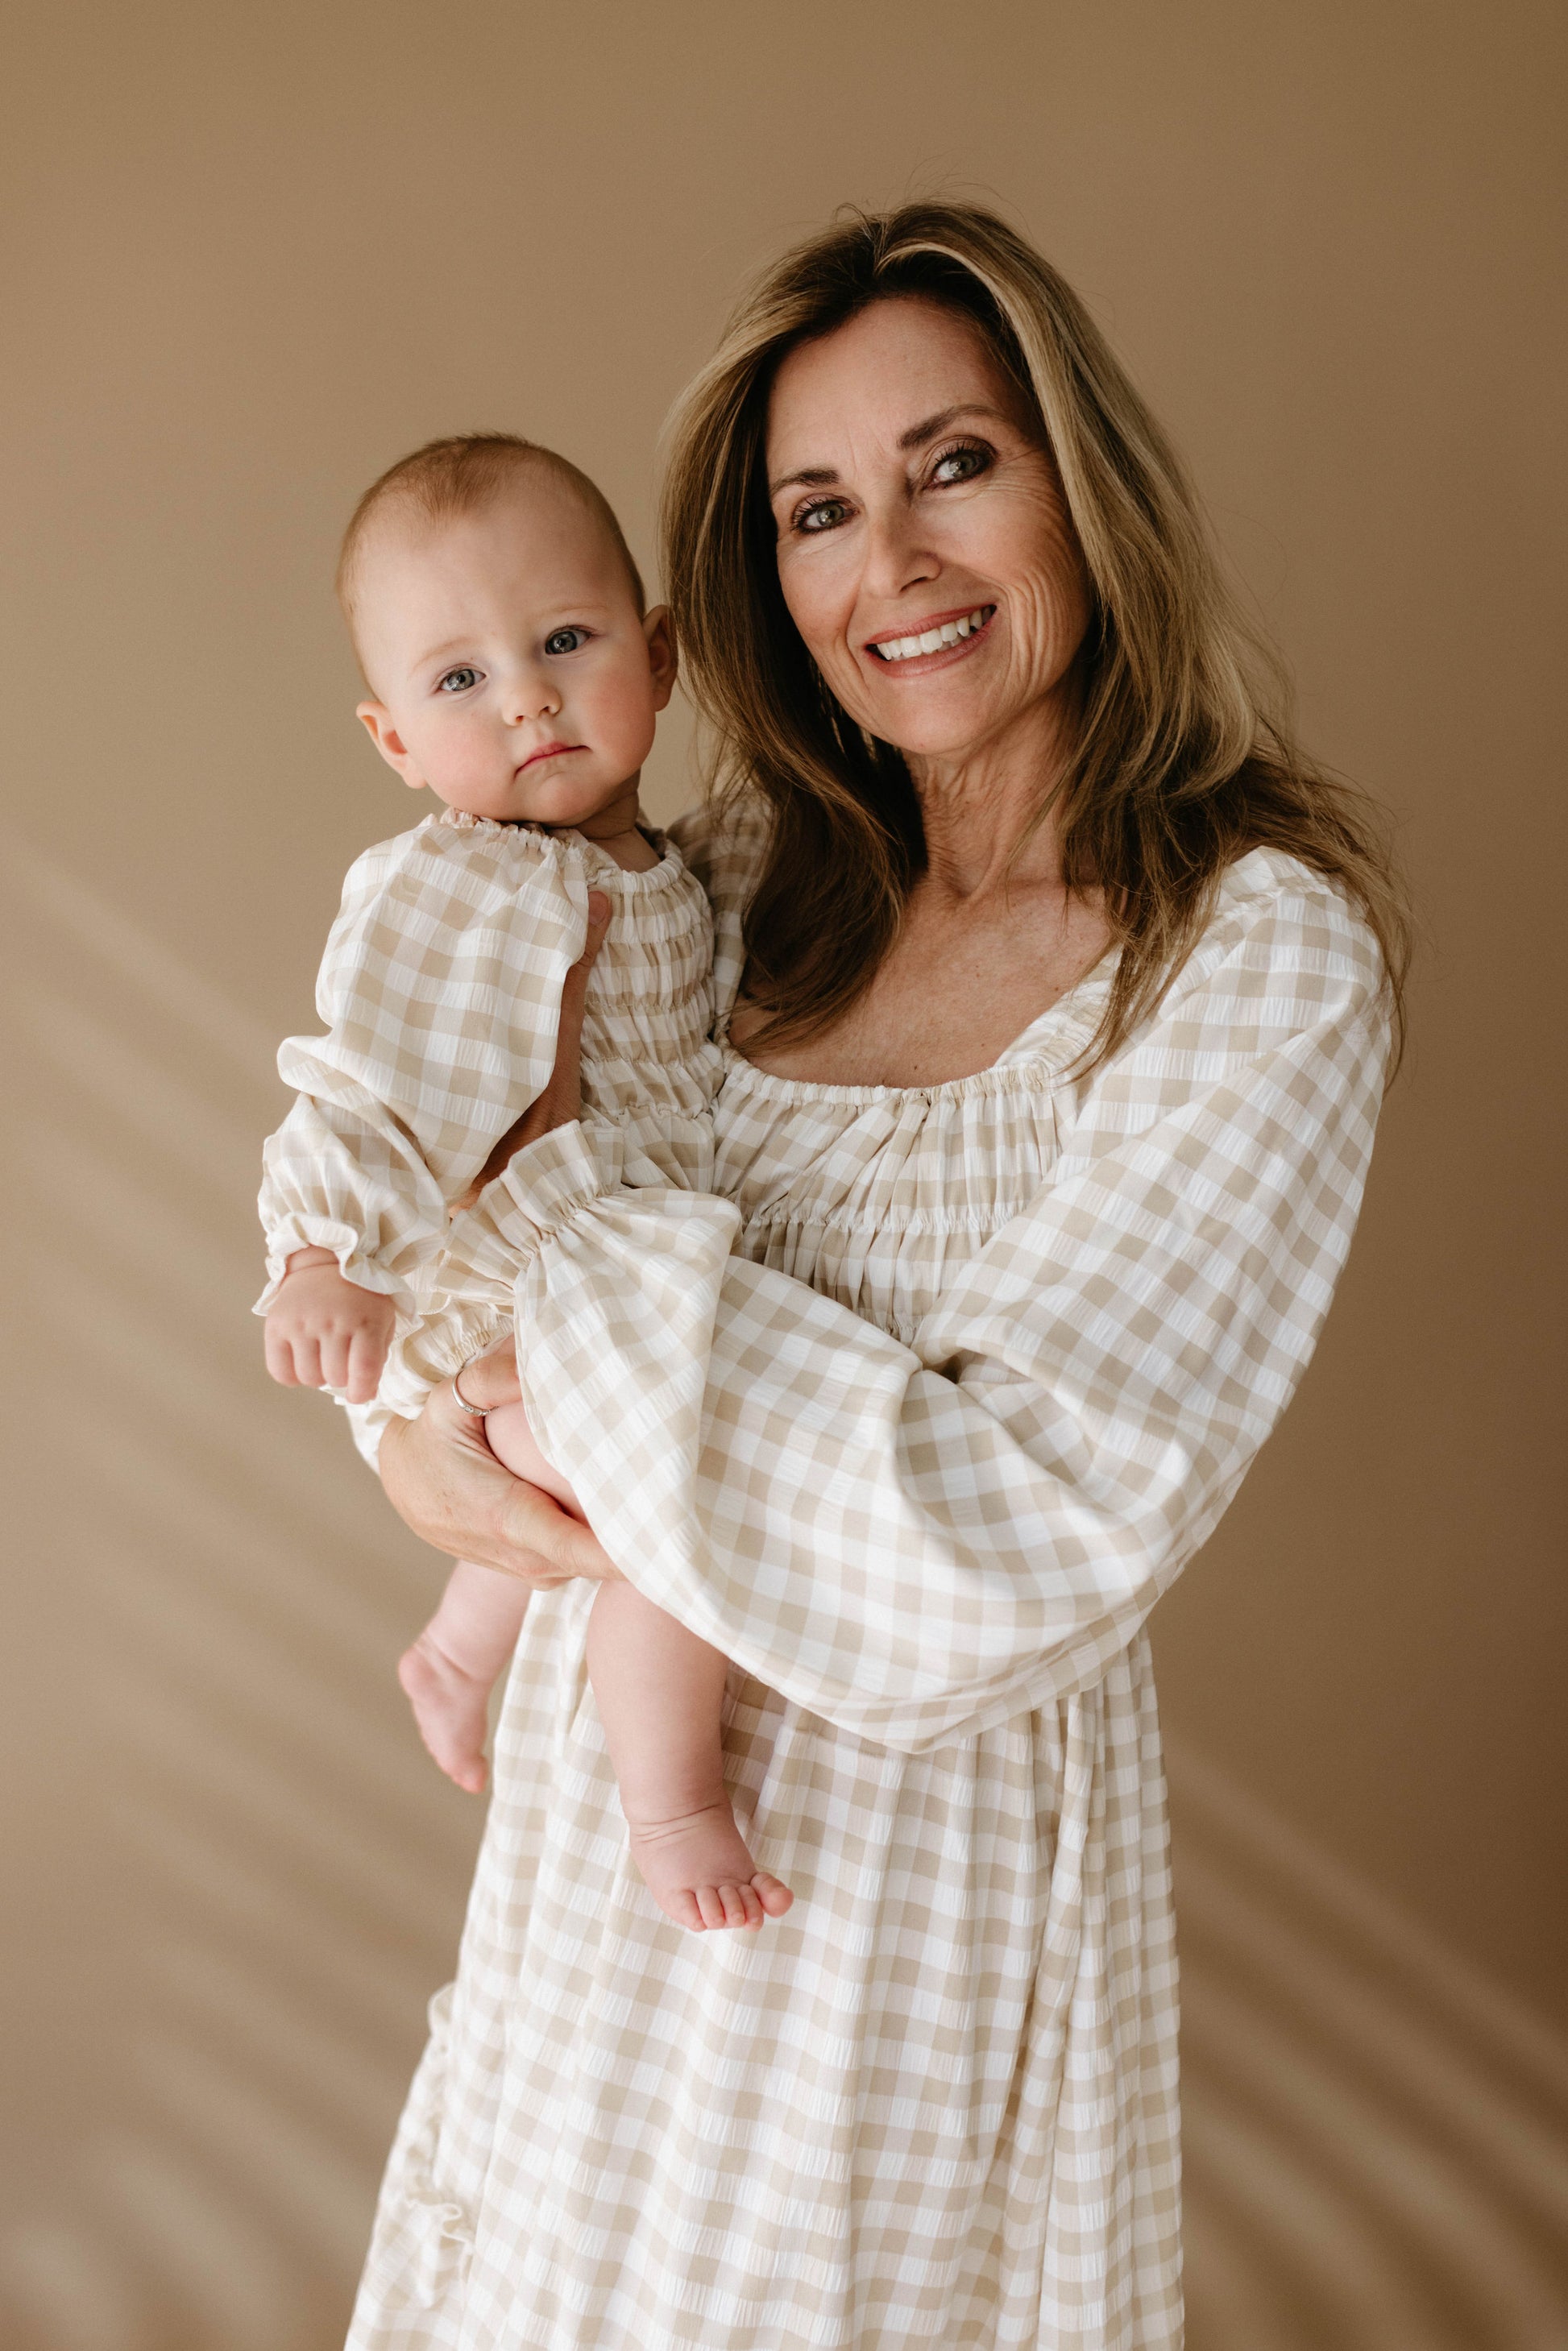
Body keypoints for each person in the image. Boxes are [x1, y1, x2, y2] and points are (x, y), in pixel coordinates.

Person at [346, 203, 1408, 2350]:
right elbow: (443, 1170)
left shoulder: (1248, 954)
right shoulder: (726, 887)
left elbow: (1001, 1536)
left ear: (1081, 483)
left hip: (877, 1888)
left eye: (956, 463)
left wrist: (562, 1342)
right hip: (596, 1833)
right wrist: (418, 1436)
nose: (889, 566)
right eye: (819, 508)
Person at [257, 433, 791, 1930]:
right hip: (525, 1276)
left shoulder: (665, 870)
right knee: (666, 1496)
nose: (528, 696)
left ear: (659, 653)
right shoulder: (466, 884)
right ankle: (673, 1804)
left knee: (621, 1470)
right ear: (395, 744)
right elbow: (370, 1078)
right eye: (460, 680)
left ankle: (459, 1641)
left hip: (617, 1276)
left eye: (564, 641)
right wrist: (324, 1256)